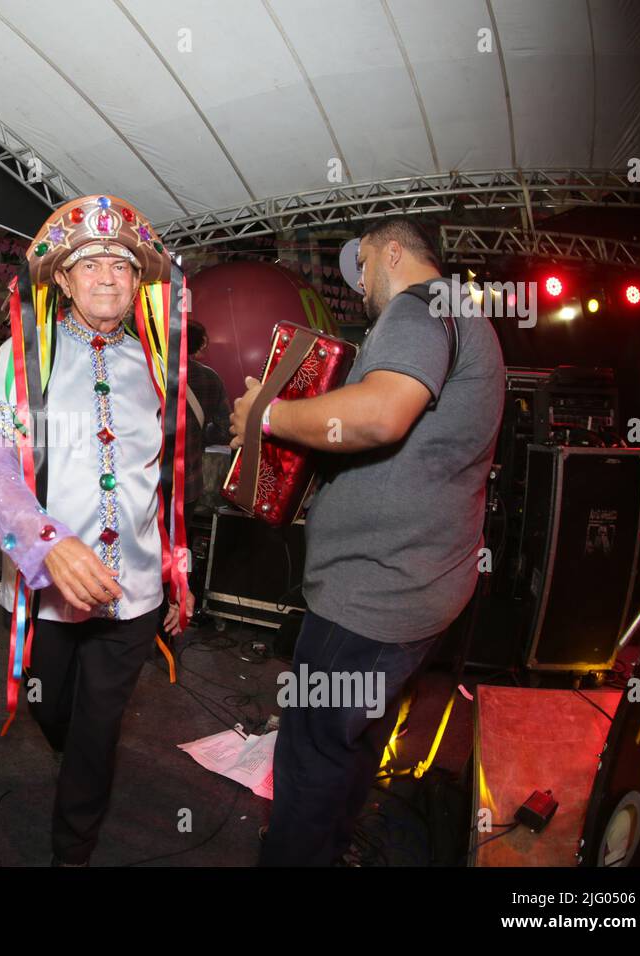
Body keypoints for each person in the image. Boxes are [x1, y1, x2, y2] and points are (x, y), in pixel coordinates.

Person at [233, 215, 505, 866]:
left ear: (391, 253)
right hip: (418, 591)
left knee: (312, 751)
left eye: (361, 269)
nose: (358, 287)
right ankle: (332, 849)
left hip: (373, 595)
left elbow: (382, 415)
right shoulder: (466, 316)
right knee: (352, 743)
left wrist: (266, 415)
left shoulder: (418, 309)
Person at [0, 195, 193, 866]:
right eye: (87, 264)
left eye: (119, 266)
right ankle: (77, 763)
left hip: (134, 595)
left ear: (137, 281)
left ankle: (73, 853)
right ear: (60, 280)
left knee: (96, 732)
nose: (105, 277)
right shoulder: (22, 354)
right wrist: (44, 542)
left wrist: (180, 570)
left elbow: (172, 481)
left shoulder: (160, 364)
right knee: (54, 710)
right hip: (47, 598)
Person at [181, 321, 232, 615]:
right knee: (180, 547)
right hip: (188, 482)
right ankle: (178, 606)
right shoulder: (210, 379)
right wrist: (199, 435)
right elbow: (226, 429)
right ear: (199, 346)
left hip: (144, 483)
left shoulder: (147, 372)